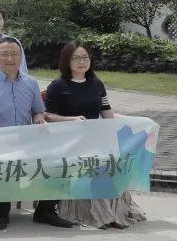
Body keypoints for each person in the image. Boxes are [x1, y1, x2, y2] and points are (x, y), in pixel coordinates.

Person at [45, 41, 146, 229]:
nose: (81, 62)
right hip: (68, 142)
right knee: (92, 164)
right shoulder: (57, 86)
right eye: (75, 58)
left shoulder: (97, 84)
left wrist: (135, 122)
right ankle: (94, 214)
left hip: (94, 139)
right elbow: (47, 116)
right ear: (66, 61)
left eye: (85, 57)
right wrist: (70, 120)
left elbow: (107, 113)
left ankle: (114, 213)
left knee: (114, 161)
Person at [0, 39, 74, 230]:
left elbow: (38, 112)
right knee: (7, 162)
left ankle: (45, 211)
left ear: (21, 57)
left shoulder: (30, 83)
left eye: (14, 54)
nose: (9, 58)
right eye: (4, 54)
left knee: (61, 161)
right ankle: (2, 212)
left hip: (28, 142)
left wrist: (39, 121)